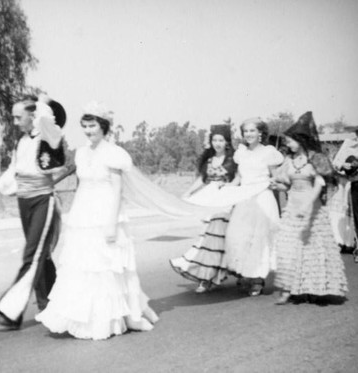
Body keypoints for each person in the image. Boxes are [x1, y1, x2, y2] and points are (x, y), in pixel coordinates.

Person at [35, 102, 161, 340]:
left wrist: (112, 224)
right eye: (84, 126)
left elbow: (116, 190)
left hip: (106, 214)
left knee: (108, 267)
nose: (88, 131)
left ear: (103, 126)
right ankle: (83, 317)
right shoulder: (82, 153)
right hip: (84, 216)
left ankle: (121, 316)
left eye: (92, 125)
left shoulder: (114, 154)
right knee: (84, 266)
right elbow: (81, 185)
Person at [0, 95, 68, 329]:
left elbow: (52, 130)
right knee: (41, 255)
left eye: (19, 117)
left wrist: (43, 104)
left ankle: (10, 312)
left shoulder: (49, 137)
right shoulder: (21, 142)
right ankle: (53, 304)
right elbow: (13, 171)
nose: (16, 122)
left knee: (32, 256)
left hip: (43, 201)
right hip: (24, 201)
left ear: (34, 116)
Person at [270, 111, 348, 304]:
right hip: (292, 208)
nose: (288, 144)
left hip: (312, 209)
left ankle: (316, 289)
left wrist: (307, 205)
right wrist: (275, 185)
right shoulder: (289, 161)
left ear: (300, 140)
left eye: (290, 141)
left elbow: (320, 185)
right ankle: (291, 289)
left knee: (313, 249)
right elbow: (286, 185)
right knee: (291, 248)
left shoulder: (317, 160)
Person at [170, 124, 237, 292]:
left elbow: (239, 179)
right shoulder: (208, 159)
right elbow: (202, 179)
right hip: (210, 200)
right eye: (214, 140)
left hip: (227, 200)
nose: (217, 143)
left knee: (218, 238)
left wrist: (228, 188)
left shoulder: (234, 159)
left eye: (221, 140)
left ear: (227, 142)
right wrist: (187, 193)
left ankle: (214, 275)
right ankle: (205, 276)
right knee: (208, 238)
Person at [223, 117, 284, 296]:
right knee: (240, 236)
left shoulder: (269, 152)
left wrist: (274, 183)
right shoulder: (241, 153)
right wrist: (224, 189)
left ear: (261, 133)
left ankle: (258, 278)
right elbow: (238, 179)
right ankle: (246, 273)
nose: (248, 134)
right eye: (246, 131)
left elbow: (276, 176)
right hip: (245, 200)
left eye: (252, 131)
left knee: (260, 238)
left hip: (263, 199)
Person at [332, 126, 358, 262]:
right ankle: (351, 244)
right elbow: (336, 164)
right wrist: (343, 165)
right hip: (351, 183)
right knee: (352, 215)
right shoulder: (349, 146)